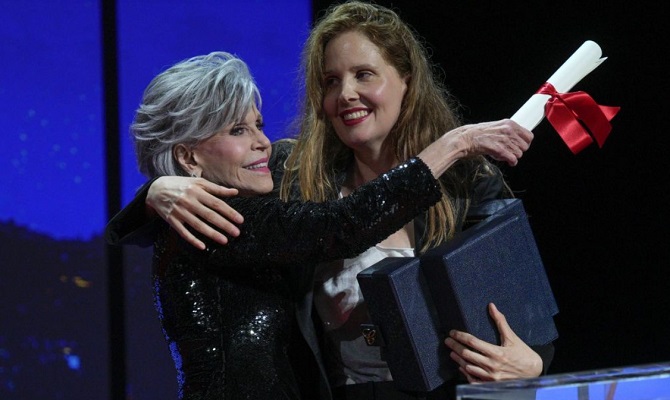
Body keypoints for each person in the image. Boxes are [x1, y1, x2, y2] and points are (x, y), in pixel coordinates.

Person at [106, 49, 533, 400]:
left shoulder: (206, 210)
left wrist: (152, 193)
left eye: (259, 124)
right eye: (238, 129)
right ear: (189, 157)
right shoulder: (221, 219)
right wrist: (456, 143)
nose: (262, 141)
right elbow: (346, 224)